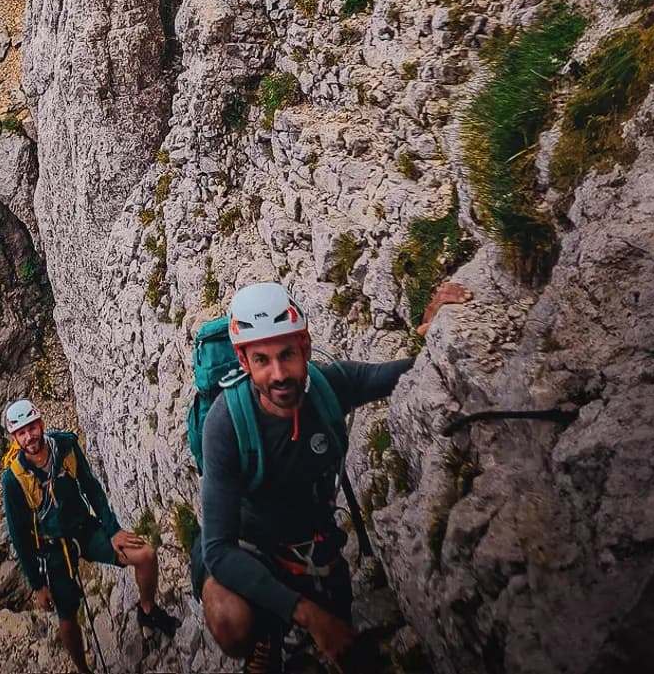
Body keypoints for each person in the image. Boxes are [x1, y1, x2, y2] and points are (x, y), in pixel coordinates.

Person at [196, 279, 470, 671]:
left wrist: (434, 333)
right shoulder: (226, 425)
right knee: (232, 623)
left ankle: (290, 609)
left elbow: (406, 375)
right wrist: (311, 617)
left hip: (312, 543)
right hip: (247, 546)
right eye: (261, 360)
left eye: (287, 354)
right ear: (244, 363)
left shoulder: (329, 387)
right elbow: (218, 550)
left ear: (305, 348)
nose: (278, 374)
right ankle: (265, 635)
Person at [0, 397, 180, 671]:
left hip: (85, 529)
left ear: (41, 423)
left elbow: (91, 487)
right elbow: (19, 535)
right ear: (15, 438)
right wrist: (37, 584)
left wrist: (113, 529)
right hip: (53, 550)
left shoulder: (66, 446)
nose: (29, 437)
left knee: (145, 555)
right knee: (68, 617)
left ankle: (147, 610)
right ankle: (83, 670)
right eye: (22, 433)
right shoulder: (13, 479)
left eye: (32, 428)